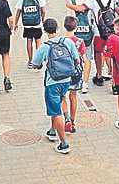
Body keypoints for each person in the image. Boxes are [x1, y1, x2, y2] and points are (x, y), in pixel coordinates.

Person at [30, 18, 81, 155]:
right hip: (66, 80)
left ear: (45, 31)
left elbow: (35, 64)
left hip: (52, 82)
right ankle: (52, 131)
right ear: (58, 29)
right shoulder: (68, 42)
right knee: (60, 100)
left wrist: (39, 65)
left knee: (55, 111)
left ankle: (63, 143)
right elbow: (76, 60)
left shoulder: (45, 46)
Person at [67, 0, 113, 86]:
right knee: (112, 53)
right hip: (111, 31)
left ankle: (99, 76)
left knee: (98, 52)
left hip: (99, 32)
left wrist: (69, 5)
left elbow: (81, 9)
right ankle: (113, 76)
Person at [14, 0, 46, 69]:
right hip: (37, 23)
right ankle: (38, 61)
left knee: (29, 41)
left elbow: (19, 11)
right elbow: (43, 10)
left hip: (27, 24)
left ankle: (30, 61)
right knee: (38, 41)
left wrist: (16, 23)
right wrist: (42, 19)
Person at [68, 0, 95, 94]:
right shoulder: (91, 2)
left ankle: (74, 80)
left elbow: (69, 18)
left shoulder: (71, 2)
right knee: (87, 58)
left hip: (75, 34)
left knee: (74, 57)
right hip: (87, 34)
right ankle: (85, 83)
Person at [61, 15, 86, 134]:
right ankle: (73, 121)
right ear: (76, 27)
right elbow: (83, 58)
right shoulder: (80, 42)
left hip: (63, 73)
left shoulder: (61, 41)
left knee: (62, 97)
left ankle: (66, 120)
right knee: (73, 96)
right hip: (76, 73)